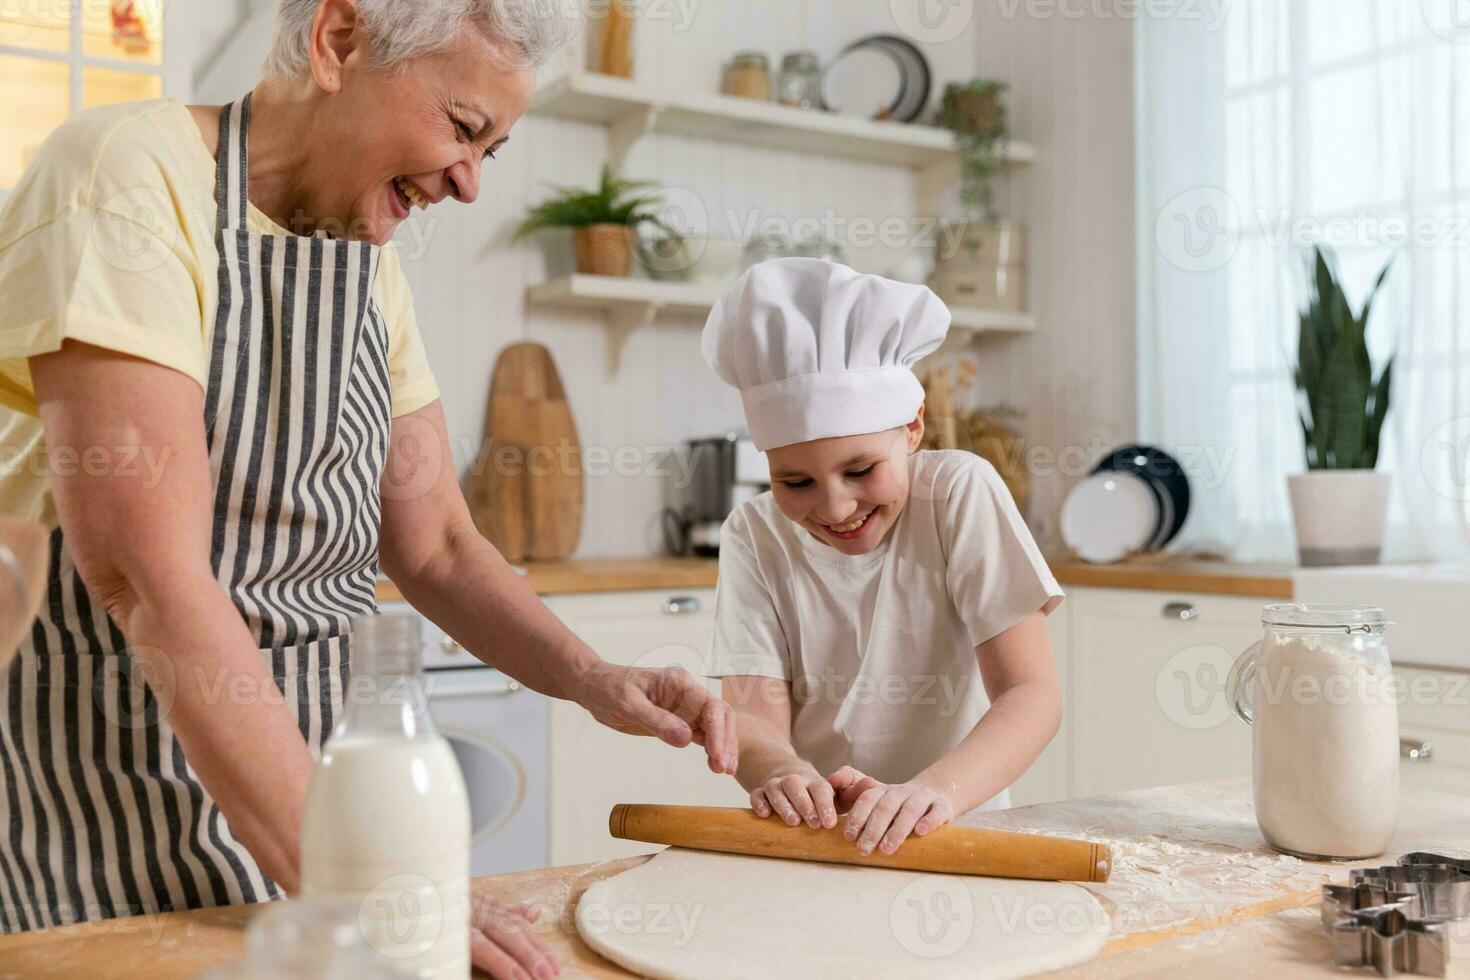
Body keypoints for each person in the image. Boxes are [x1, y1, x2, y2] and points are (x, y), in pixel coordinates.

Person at [0, 1, 736, 974]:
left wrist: (595, 677)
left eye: (494, 151)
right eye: (464, 128)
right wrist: (360, 887)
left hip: (318, 801)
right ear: (337, 42)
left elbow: (436, 543)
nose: (470, 183)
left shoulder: (365, 261)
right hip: (100, 802)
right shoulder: (123, 177)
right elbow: (149, 575)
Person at [701, 257, 1063, 858]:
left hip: (958, 828)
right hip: (825, 837)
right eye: (795, 483)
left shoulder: (956, 495)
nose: (835, 505)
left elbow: (1031, 695)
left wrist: (932, 793)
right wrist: (782, 776)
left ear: (914, 426)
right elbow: (754, 715)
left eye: (860, 469)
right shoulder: (753, 533)